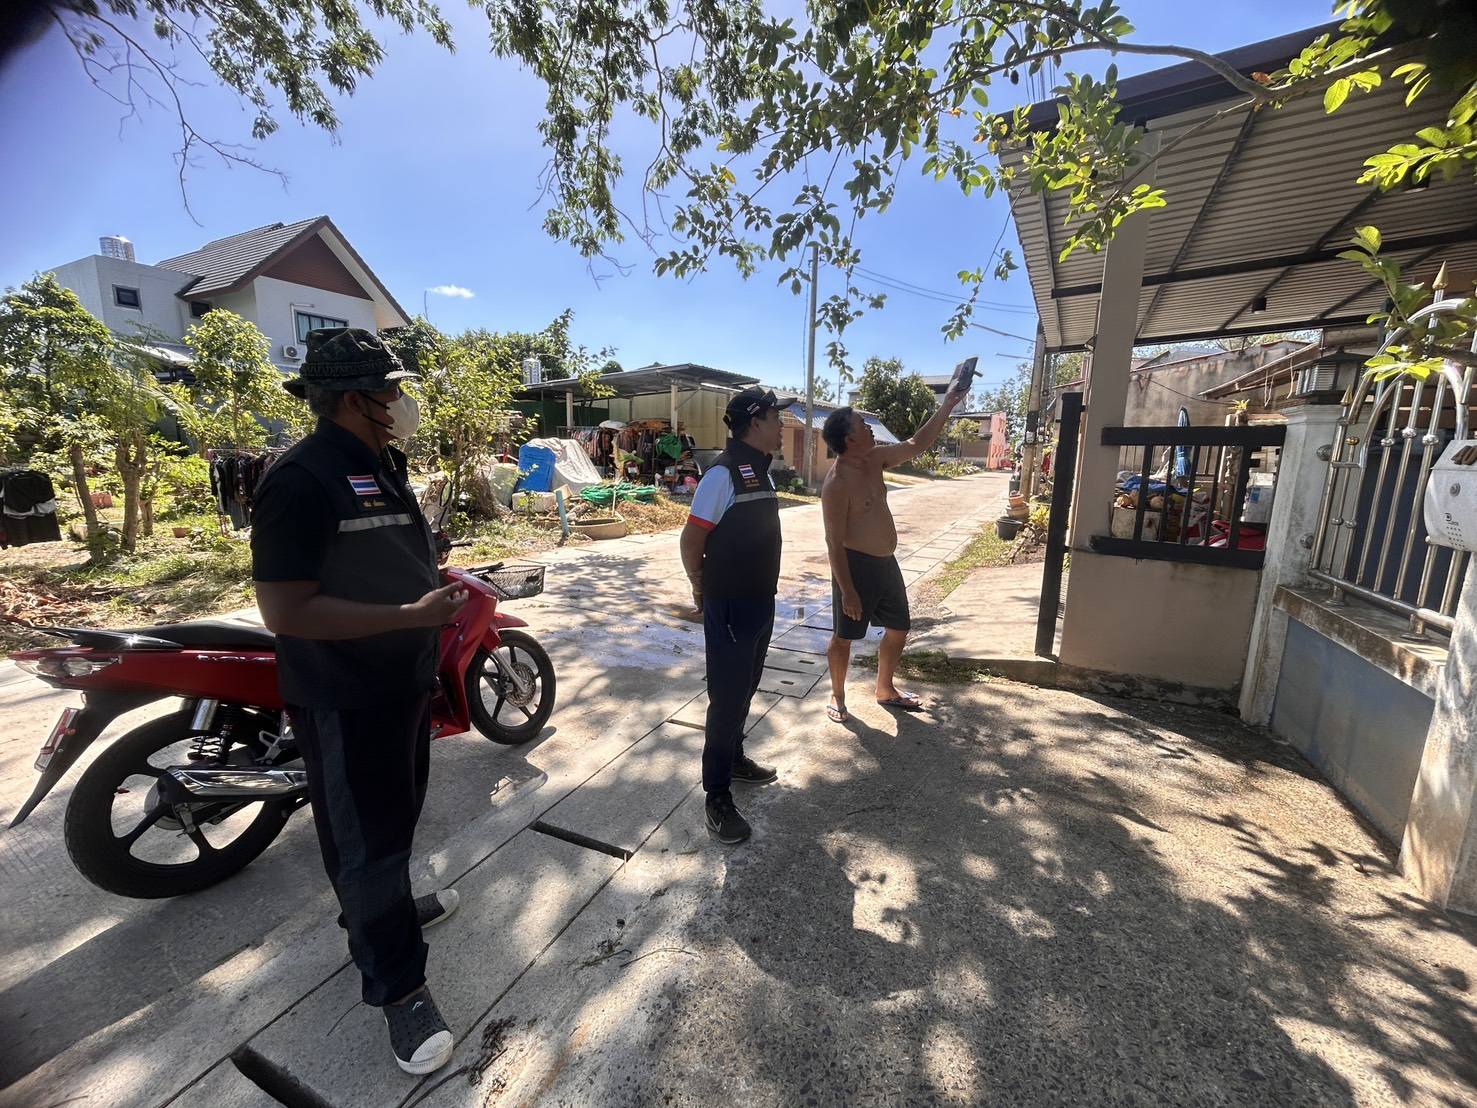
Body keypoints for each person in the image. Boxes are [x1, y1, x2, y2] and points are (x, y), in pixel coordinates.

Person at [250, 327, 468, 1076]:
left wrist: (428, 578)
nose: (402, 402)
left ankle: (385, 913)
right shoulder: (299, 478)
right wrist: (409, 615)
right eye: (390, 390)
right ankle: (398, 987)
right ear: (352, 400)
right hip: (345, 696)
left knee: (393, 822)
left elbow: (375, 557)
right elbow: (285, 611)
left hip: (400, 682)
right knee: (364, 842)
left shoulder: (380, 460)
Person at [678, 387, 786, 845]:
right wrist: (700, 586)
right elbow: (691, 540)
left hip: (761, 601)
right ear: (756, 421)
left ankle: (735, 759)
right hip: (730, 607)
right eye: (776, 418)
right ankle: (717, 796)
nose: (782, 426)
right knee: (726, 699)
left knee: (747, 687)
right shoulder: (721, 475)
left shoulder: (759, 469)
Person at [820, 386, 965, 722]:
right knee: (844, 636)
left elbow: (916, 444)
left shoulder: (875, 458)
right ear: (849, 438)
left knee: (899, 627)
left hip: (886, 563)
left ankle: (884, 689)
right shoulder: (837, 483)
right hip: (855, 567)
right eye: (862, 424)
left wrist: (947, 404)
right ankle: (837, 695)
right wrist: (848, 591)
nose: (870, 427)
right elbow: (833, 543)